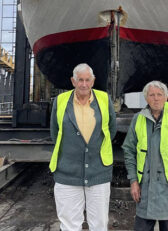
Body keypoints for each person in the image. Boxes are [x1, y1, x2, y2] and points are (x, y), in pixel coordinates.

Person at [50, 63, 116, 231]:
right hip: (67, 173)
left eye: (87, 80)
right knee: (69, 225)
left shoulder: (103, 99)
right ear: (73, 81)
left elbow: (111, 129)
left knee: (100, 224)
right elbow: (55, 132)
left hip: (98, 171)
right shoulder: (60, 101)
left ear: (93, 81)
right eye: (80, 80)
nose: (84, 84)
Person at [122, 80, 168, 231]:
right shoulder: (138, 119)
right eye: (152, 95)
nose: (156, 98)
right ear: (146, 98)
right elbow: (129, 150)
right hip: (145, 189)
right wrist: (133, 181)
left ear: (166, 97)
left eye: (159, 95)